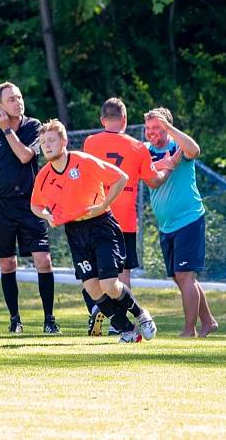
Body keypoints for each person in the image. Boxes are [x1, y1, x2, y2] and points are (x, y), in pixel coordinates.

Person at [30, 119, 157, 343]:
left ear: (64, 141)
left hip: (101, 225)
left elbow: (121, 178)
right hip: (74, 232)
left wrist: (101, 205)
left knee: (109, 284)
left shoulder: (83, 161)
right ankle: (127, 329)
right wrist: (47, 216)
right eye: (43, 142)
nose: (47, 146)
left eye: (51, 140)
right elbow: (35, 205)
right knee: (92, 288)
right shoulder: (43, 175)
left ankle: (141, 314)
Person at [0, 82, 58, 334]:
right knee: (7, 264)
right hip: (1, 207)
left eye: (19, 97)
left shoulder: (35, 126)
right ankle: (15, 319)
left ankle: (49, 320)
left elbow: (25, 156)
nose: (18, 102)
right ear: (0, 106)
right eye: (11, 99)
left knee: (44, 261)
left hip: (31, 204)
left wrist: (8, 131)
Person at [82, 98, 171, 334]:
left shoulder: (90, 142)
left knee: (96, 273)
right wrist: (167, 167)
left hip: (96, 214)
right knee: (122, 274)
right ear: (125, 119)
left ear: (102, 120)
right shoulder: (138, 147)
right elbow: (153, 180)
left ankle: (99, 309)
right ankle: (119, 323)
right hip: (124, 219)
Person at [144, 107, 218, 338]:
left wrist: (170, 129)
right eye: (148, 128)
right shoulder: (145, 151)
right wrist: (164, 165)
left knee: (185, 275)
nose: (151, 132)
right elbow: (143, 174)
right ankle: (208, 320)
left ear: (167, 127)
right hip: (166, 225)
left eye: (157, 127)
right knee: (180, 276)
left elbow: (194, 150)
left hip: (189, 219)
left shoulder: (178, 146)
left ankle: (190, 330)